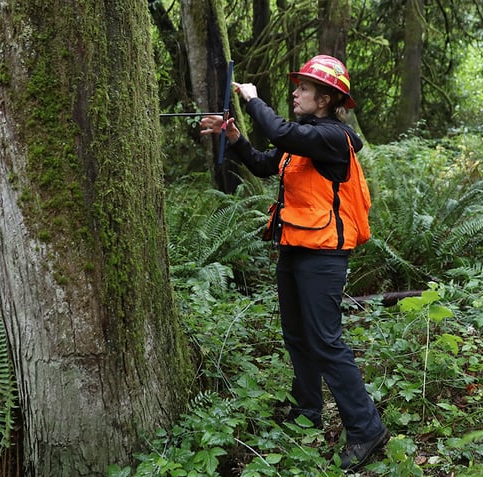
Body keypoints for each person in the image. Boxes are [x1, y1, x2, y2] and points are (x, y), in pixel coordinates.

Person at [200, 55, 389, 471]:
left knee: (325, 339)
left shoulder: (333, 137)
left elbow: (276, 130)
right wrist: (233, 137)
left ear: (324, 99)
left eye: (303, 88)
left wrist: (251, 100)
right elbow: (266, 163)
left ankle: (366, 427)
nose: (295, 93)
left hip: (323, 253)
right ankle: (307, 412)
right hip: (295, 246)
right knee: (296, 335)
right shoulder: (303, 138)